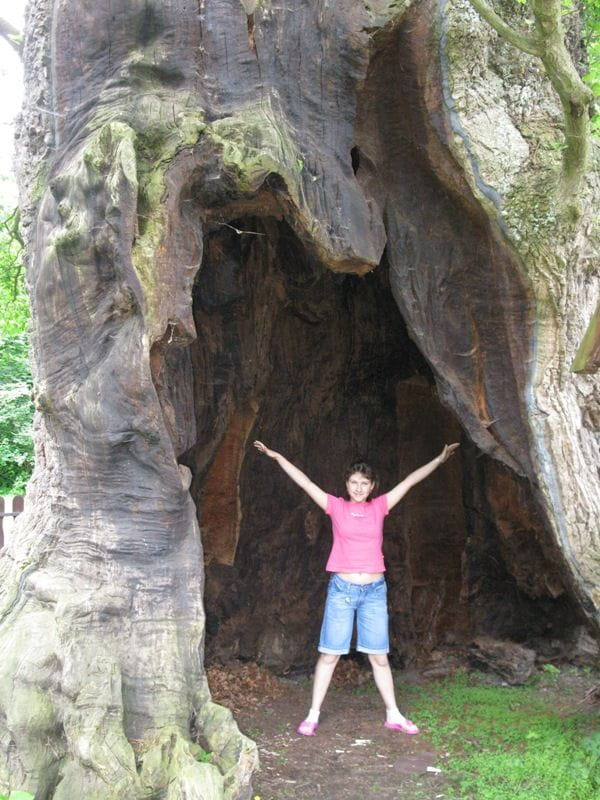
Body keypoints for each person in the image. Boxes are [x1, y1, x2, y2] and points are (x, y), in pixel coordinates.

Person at [253, 439, 460, 737]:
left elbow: (410, 481)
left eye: (364, 483)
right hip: (343, 589)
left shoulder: (380, 507)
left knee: (378, 657)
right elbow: (305, 482)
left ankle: (394, 714)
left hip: (374, 591)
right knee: (329, 655)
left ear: (372, 486)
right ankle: (312, 715)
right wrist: (277, 456)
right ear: (347, 484)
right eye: (353, 482)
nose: (359, 487)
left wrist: (439, 460)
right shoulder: (335, 507)